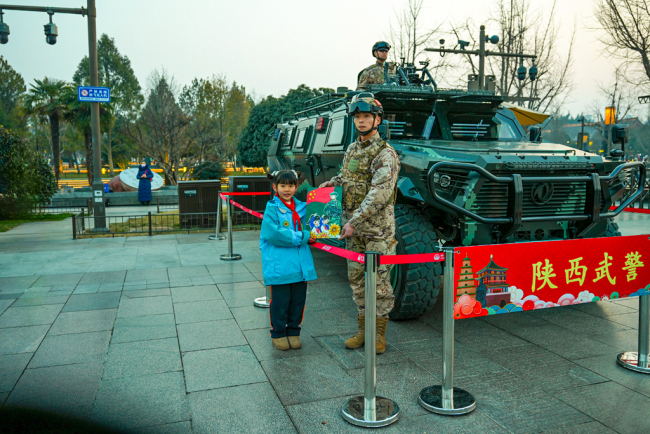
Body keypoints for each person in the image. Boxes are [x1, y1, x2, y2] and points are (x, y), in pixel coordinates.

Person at [319, 92, 400, 354]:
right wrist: (332, 184)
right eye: (358, 117)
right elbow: (348, 176)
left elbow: (380, 193)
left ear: (377, 120)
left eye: (367, 116)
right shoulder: (353, 149)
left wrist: (353, 221)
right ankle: (362, 331)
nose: (362, 121)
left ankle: (378, 334)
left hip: (377, 231)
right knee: (356, 281)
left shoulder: (385, 153)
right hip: (353, 230)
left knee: (380, 284)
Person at [260, 170, 317, 351]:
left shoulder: (303, 207)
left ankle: (293, 331)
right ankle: (278, 333)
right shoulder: (272, 209)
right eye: (283, 185)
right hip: (280, 266)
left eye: (291, 185)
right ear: (275, 187)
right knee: (280, 302)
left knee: (298, 301)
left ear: (296, 187)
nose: (287, 189)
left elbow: (317, 224)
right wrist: (303, 236)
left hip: (300, 267)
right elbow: (274, 234)